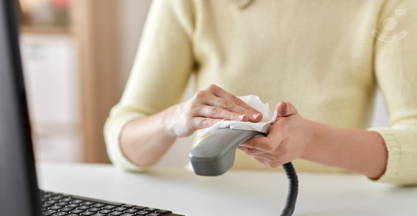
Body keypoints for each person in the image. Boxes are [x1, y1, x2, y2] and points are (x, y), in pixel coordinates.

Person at [104, 0, 417, 185]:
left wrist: (308, 140)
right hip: (211, 207)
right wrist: (174, 120)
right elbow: (124, 143)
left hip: (338, 210)